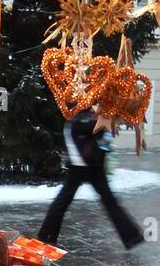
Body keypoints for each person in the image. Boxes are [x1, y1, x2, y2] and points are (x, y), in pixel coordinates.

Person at [38, 107, 144, 250]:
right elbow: (91, 128)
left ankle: (47, 235)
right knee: (105, 202)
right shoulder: (85, 116)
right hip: (82, 164)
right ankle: (132, 236)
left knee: (67, 201)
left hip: (90, 164)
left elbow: (99, 133)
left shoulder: (89, 114)